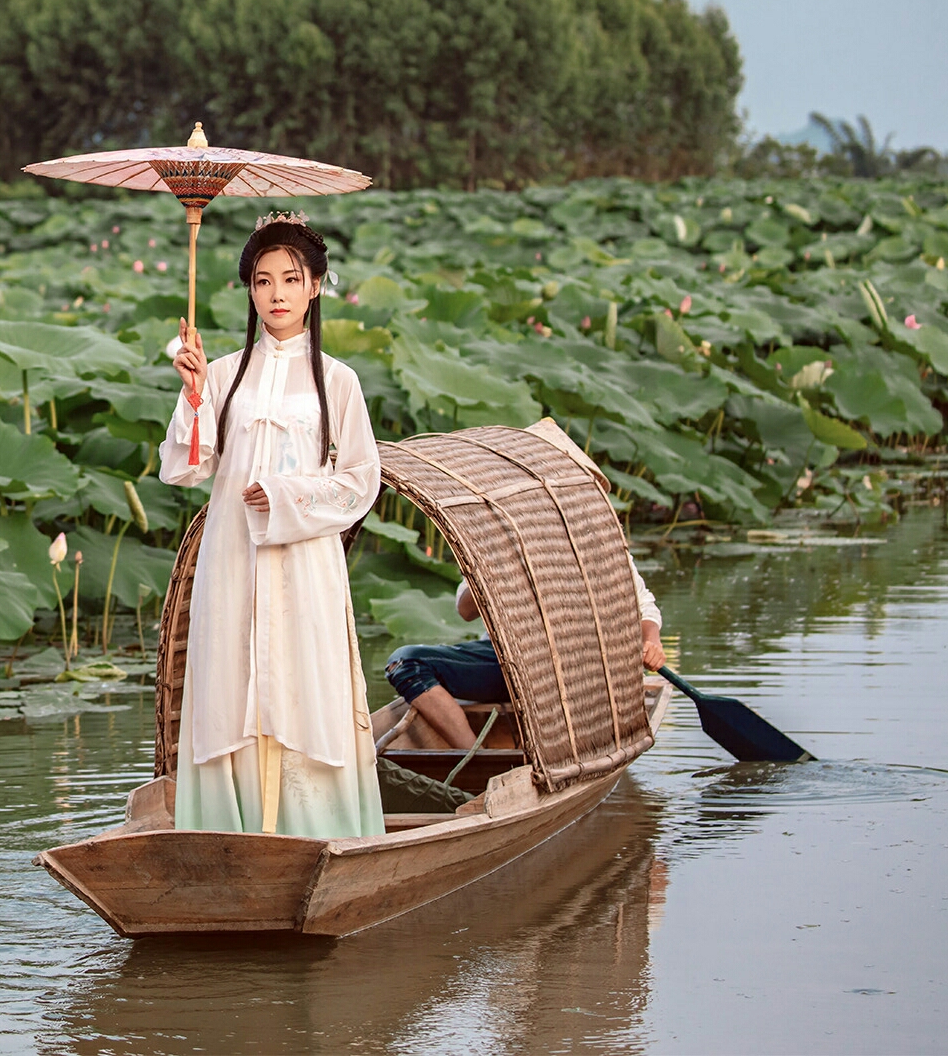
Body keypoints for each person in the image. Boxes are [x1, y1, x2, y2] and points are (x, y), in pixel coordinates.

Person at [161, 213, 383, 838]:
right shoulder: (224, 373)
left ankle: (316, 835)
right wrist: (195, 397)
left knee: (302, 681)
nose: (276, 294)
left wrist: (286, 496)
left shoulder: (338, 382)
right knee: (231, 683)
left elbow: (360, 482)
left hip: (304, 563)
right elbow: (186, 469)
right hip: (231, 559)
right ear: (250, 291)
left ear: (316, 285)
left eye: (291, 279)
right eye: (262, 281)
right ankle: (226, 836)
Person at [381, 417, 670, 751]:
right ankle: (475, 757)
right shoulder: (502, 536)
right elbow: (465, 611)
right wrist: (497, 559)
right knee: (406, 661)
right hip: (512, 664)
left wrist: (651, 641)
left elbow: (642, 603)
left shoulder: (597, 538)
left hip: (581, 669)